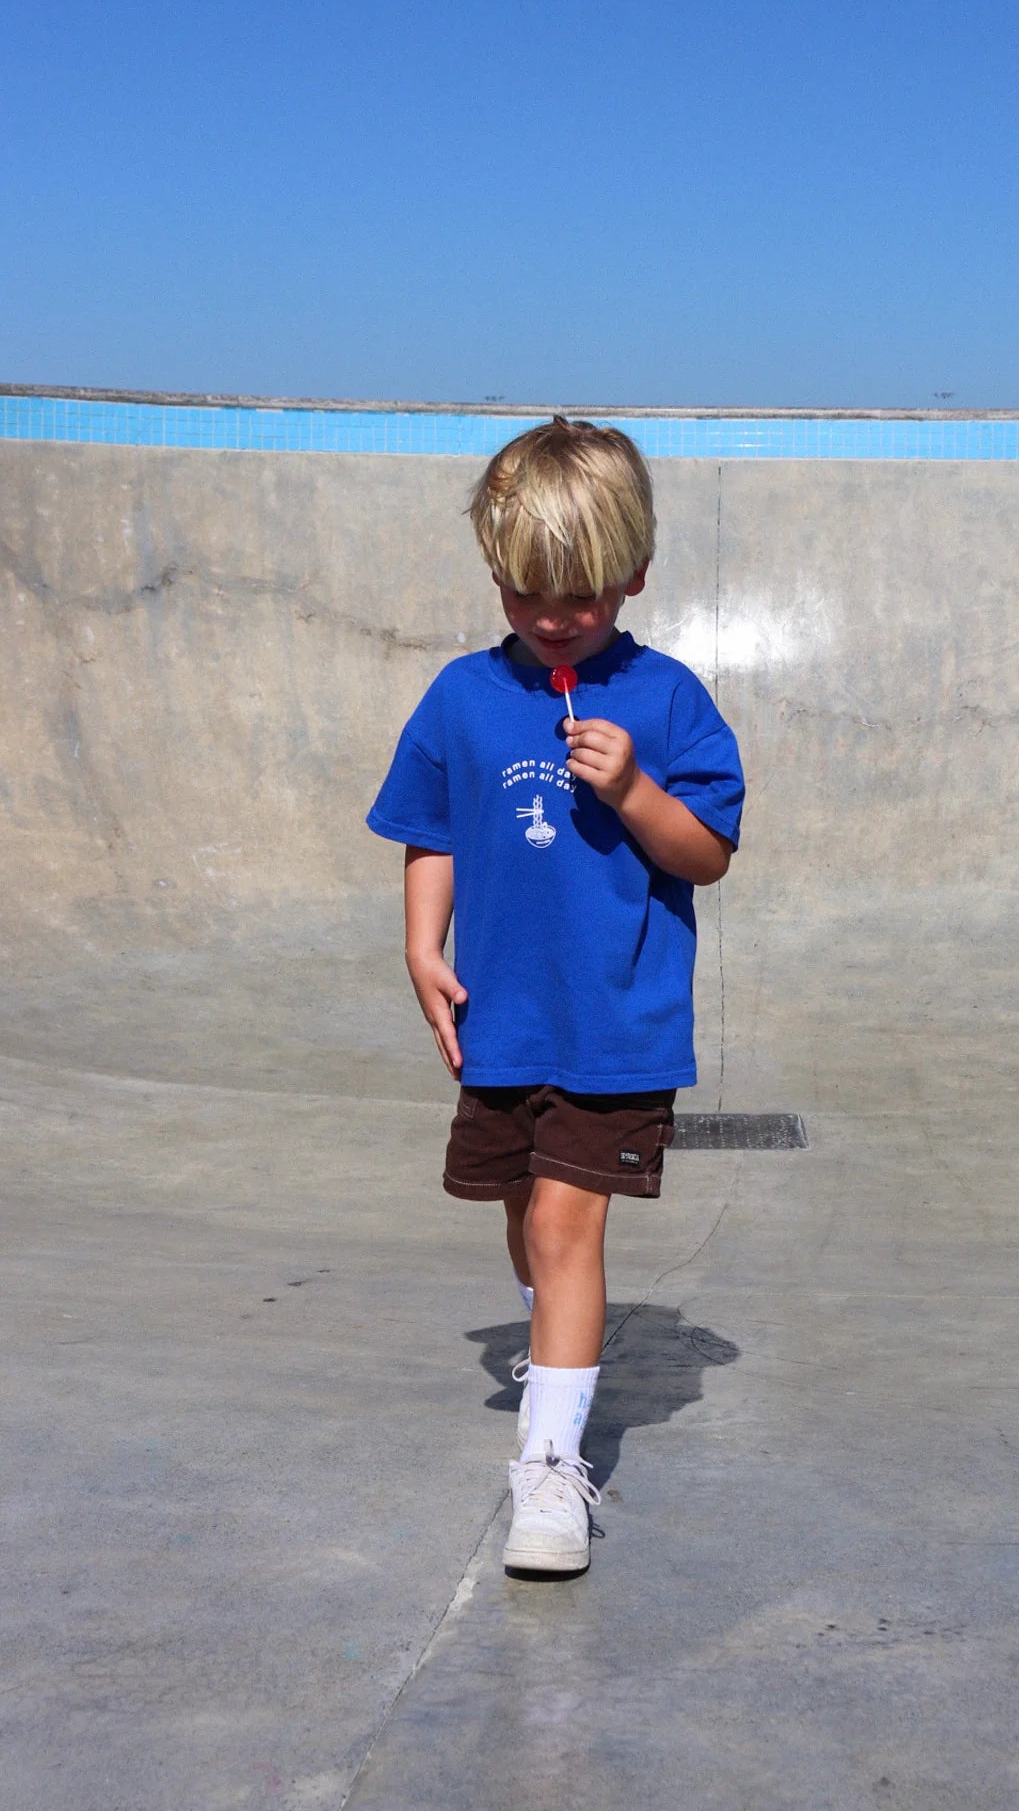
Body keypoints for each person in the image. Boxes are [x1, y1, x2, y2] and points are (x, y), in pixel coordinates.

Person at [366, 417, 744, 1576]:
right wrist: (425, 949)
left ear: (634, 571)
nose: (553, 616)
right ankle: (559, 1353)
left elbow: (706, 853)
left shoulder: (670, 699)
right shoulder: (462, 696)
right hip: (504, 1020)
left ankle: (548, 1472)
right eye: (528, 591)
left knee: (565, 1227)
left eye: (579, 592)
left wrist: (633, 787)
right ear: (496, 573)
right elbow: (429, 834)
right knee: (527, 1231)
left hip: (616, 1025)